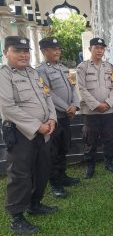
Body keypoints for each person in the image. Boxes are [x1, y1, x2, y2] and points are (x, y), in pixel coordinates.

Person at [0, 36, 58, 234]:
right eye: (18, 51)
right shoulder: (4, 75)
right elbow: (8, 108)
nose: (24, 55)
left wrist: (52, 119)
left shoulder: (34, 73)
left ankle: (35, 204)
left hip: (44, 131)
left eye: (26, 51)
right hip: (20, 134)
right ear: (6, 52)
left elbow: (47, 96)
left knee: (42, 170)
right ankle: (17, 218)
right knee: (20, 175)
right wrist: (37, 126)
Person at [36, 37, 81, 198]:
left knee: (63, 147)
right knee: (53, 151)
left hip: (67, 116)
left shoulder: (64, 68)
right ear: (44, 51)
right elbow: (47, 93)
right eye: (53, 49)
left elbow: (74, 88)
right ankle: (55, 183)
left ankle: (63, 176)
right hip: (54, 117)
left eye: (58, 49)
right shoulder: (41, 70)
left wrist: (75, 105)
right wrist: (67, 107)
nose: (57, 51)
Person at [76, 38, 113, 179]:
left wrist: (107, 103)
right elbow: (82, 89)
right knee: (90, 140)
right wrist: (96, 105)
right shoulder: (82, 67)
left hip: (107, 110)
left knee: (109, 138)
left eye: (102, 48)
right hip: (91, 111)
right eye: (97, 48)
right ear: (90, 49)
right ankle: (90, 166)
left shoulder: (110, 67)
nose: (100, 51)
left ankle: (109, 162)